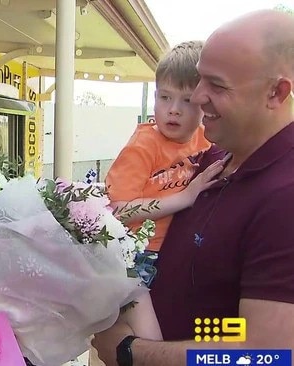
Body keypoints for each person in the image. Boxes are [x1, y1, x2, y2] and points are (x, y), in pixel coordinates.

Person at [93, 9, 294, 366]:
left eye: (217, 85)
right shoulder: (209, 159)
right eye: (199, 80)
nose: (198, 98)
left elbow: (269, 354)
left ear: (276, 92)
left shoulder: (285, 196)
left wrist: (132, 351)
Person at [105, 41, 225, 341]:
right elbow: (120, 209)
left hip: (178, 254)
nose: (173, 110)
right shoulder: (143, 145)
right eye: (165, 97)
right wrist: (184, 197)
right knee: (150, 343)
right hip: (138, 256)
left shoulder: (207, 143)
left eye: (187, 100)